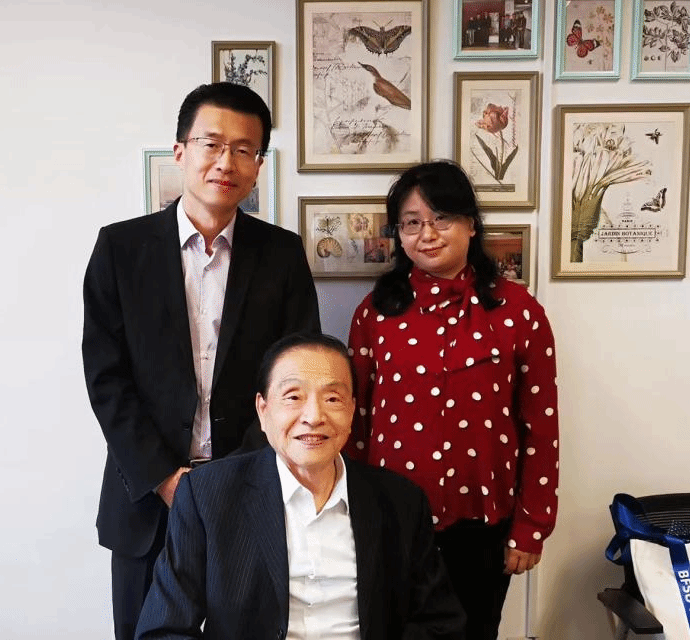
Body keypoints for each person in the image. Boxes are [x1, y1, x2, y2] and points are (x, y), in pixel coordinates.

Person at [82, 82, 321, 640]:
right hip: (145, 498)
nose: (225, 162)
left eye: (244, 149)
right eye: (211, 144)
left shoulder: (282, 254)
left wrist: (231, 479)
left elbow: (298, 374)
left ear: (258, 165)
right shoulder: (121, 248)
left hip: (250, 491)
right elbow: (106, 378)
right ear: (180, 151)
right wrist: (166, 478)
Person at [347, 160, 560, 640]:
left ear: (471, 224)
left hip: (485, 524)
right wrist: (351, 517)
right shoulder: (376, 312)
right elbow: (355, 423)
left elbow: (541, 427)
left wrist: (532, 526)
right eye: (412, 222)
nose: (427, 234)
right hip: (392, 519)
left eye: (441, 218)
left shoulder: (518, 311)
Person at [135, 333, 467, 639]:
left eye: (333, 398)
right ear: (263, 410)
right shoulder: (207, 496)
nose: (313, 416)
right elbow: (163, 630)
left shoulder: (401, 502)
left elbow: (440, 624)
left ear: (352, 409)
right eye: (293, 396)